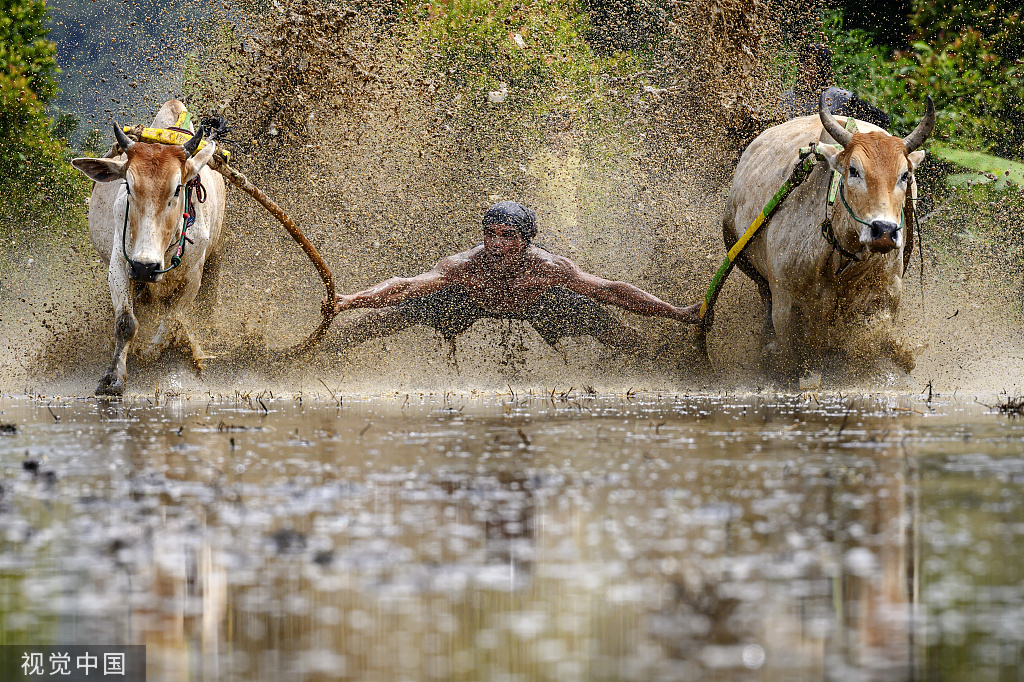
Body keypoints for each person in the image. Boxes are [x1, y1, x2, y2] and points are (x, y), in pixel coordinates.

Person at [327, 201, 701, 354]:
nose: (497, 244)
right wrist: (347, 302)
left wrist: (677, 312)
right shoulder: (464, 266)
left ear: (525, 242)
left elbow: (610, 290)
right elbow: (406, 286)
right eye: (491, 234)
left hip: (538, 306)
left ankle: (658, 359)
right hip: (468, 302)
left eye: (508, 236)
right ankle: (321, 352)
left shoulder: (549, 268)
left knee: (601, 318)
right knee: (393, 314)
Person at [782, 43, 891, 130]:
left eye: (814, 66)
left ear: (823, 70)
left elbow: (882, 120)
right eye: (805, 65)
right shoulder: (786, 100)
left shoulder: (838, 97)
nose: (808, 71)